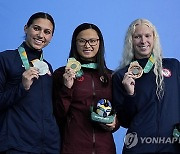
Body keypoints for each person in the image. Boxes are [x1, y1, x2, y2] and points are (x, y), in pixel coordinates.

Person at [113, 18, 180, 153]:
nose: (143, 41)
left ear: (154, 38)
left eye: (147, 36)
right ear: (130, 41)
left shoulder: (173, 66)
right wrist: (130, 94)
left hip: (172, 146)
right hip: (140, 147)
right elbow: (125, 121)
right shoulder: (122, 75)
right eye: (137, 37)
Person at [53, 23, 119, 154]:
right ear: (75, 43)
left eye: (92, 41)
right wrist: (67, 88)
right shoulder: (61, 74)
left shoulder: (111, 77)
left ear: (100, 43)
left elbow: (119, 114)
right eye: (82, 41)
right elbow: (57, 115)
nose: (87, 45)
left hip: (105, 149)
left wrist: (115, 123)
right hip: (73, 147)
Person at [0, 12, 60, 153]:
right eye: (36, 28)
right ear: (26, 28)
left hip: (48, 147)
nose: (41, 35)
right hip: (17, 145)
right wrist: (22, 87)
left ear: (51, 37)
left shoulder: (47, 67)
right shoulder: (5, 59)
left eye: (47, 32)